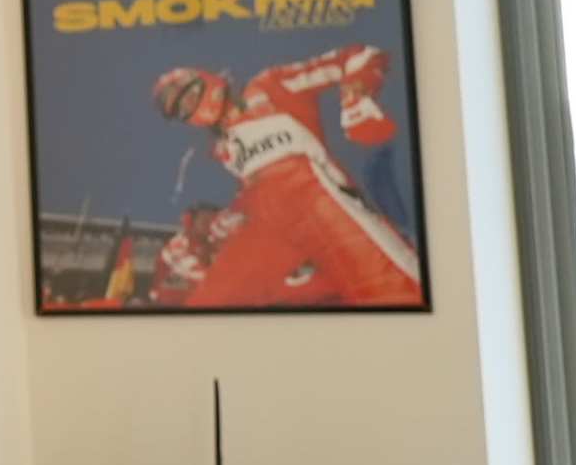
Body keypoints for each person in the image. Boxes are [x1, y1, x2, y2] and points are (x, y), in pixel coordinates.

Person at [147, 49, 421, 308]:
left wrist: (357, 95)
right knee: (209, 303)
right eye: (181, 108)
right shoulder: (221, 149)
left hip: (318, 201)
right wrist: (235, 212)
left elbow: (359, 55)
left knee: (393, 290)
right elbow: (254, 187)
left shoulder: (269, 86)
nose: (190, 104)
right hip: (269, 223)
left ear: (203, 79)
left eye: (189, 93)